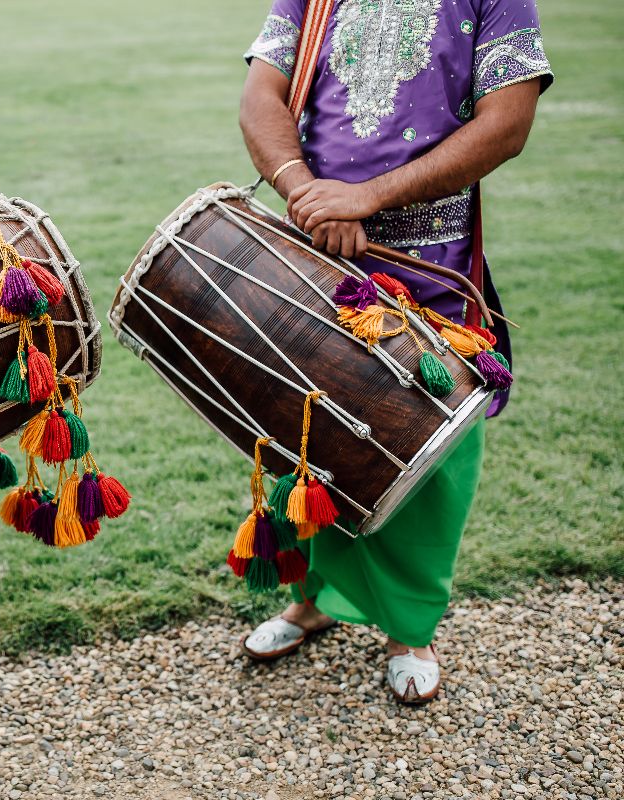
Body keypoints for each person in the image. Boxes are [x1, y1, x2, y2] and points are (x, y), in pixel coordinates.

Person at [237, 0, 552, 703]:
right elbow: (261, 93)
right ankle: (310, 600)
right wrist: (306, 194)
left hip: (431, 262)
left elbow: (508, 123)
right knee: (306, 431)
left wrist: (366, 198)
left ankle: (411, 630)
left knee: (428, 444)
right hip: (318, 255)